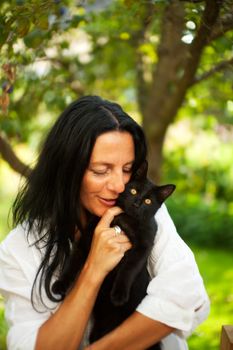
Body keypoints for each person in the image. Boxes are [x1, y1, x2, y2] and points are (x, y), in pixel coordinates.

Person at [0, 95, 209, 350]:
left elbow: (186, 295)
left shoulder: (142, 214)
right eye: (101, 171)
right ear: (66, 169)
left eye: (127, 169)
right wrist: (92, 270)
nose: (119, 185)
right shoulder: (20, 248)